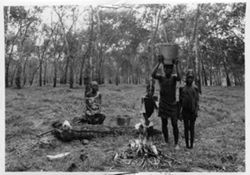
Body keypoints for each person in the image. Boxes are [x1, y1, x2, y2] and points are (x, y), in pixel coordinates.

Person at [151, 54, 181, 150]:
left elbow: (180, 77)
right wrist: (159, 63)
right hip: (163, 104)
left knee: (174, 124)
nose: (168, 70)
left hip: (172, 104)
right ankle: (166, 141)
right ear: (164, 69)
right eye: (166, 69)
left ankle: (176, 143)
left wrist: (176, 65)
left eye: (169, 69)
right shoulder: (161, 78)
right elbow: (152, 74)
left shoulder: (174, 78)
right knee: (164, 124)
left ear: (172, 70)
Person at [179, 69, 199, 149]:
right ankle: (187, 144)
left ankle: (191, 144)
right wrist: (179, 113)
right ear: (186, 78)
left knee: (192, 128)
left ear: (193, 78)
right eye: (188, 77)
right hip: (185, 111)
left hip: (192, 111)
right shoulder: (182, 88)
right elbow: (180, 101)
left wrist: (196, 111)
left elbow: (197, 101)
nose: (190, 79)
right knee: (186, 128)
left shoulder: (195, 88)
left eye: (191, 77)